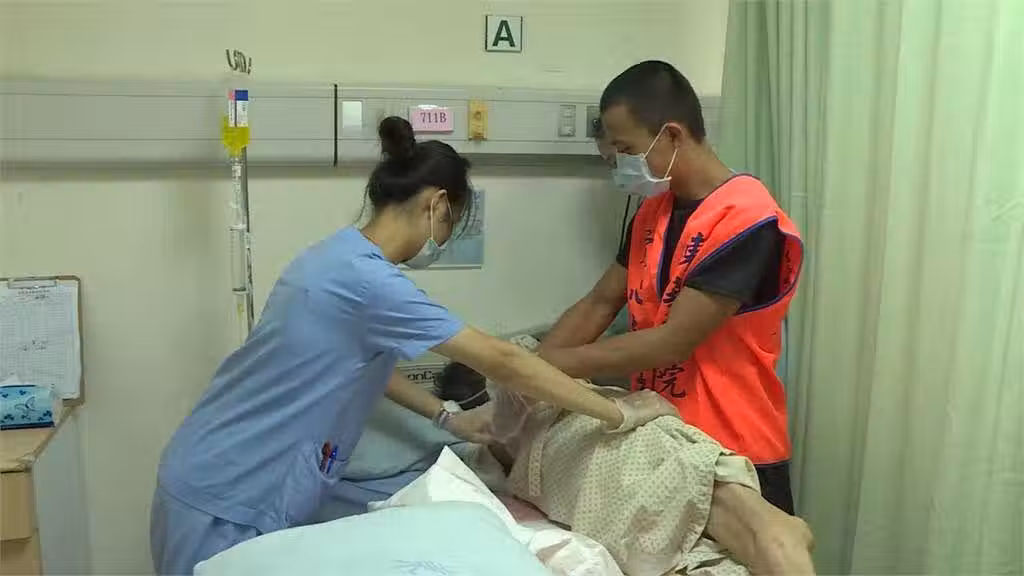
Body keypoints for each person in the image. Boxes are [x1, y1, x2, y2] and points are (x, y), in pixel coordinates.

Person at [149, 116, 678, 574]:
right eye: (452, 224)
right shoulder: (367, 281)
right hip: (228, 496)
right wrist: (616, 411)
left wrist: (448, 417)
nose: (442, 240)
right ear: (437, 204)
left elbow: (362, 366)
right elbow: (504, 359)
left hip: (228, 473)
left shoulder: (336, 257)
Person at [538, 61, 804, 514]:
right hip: (665, 437)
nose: (621, 165)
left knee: (761, 547)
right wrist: (531, 369)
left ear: (673, 135)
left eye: (626, 149)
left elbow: (672, 342)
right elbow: (600, 302)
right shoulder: (653, 213)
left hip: (734, 448)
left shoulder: (746, 219)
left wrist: (548, 368)